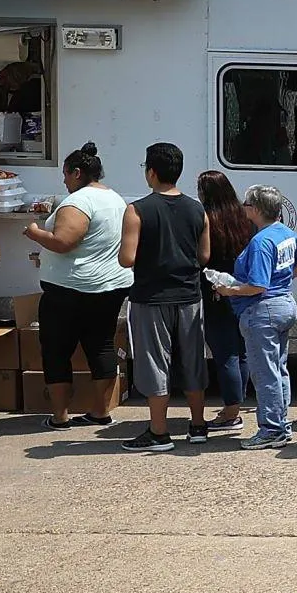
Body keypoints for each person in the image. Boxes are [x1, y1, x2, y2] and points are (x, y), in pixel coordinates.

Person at [23, 143, 134, 429]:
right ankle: (101, 411)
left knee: (57, 349)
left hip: (71, 288)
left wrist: (35, 234)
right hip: (110, 285)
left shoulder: (78, 202)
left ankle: (60, 415)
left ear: (77, 173)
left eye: (65, 175)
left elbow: (64, 242)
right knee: (101, 346)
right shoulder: (115, 198)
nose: (63, 181)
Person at [116, 142, 211, 453]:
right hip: (189, 295)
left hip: (151, 296)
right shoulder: (198, 209)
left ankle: (159, 432)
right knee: (192, 361)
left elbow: (127, 258)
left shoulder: (137, 209)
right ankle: (198, 425)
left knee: (156, 362)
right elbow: (205, 255)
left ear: (151, 172)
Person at [217, 186, 297, 450]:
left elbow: (257, 285)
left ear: (257, 209)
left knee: (265, 372)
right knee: (278, 369)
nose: (243, 208)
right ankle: (281, 424)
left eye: (247, 204)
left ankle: (271, 430)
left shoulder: (261, 242)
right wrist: (284, 281)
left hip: (263, 310)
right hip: (284, 305)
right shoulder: (285, 233)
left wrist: (228, 290)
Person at [196, 170, 255, 438]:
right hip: (242, 290)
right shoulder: (244, 218)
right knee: (241, 351)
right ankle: (236, 405)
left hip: (216, 291)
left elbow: (203, 257)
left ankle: (231, 412)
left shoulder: (207, 219)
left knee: (225, 353)